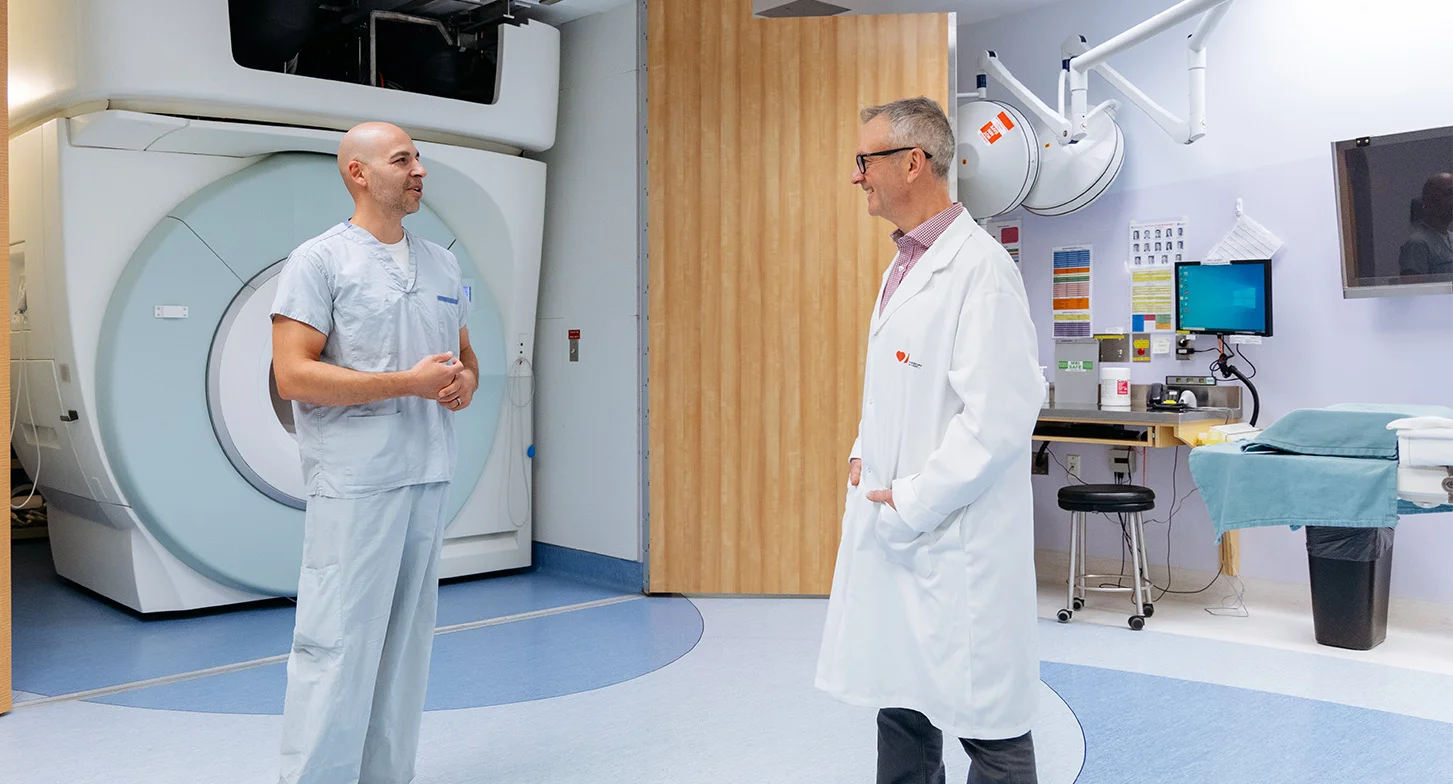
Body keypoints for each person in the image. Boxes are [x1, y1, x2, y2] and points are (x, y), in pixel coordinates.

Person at [815, 97, 1045, 784]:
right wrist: (863, 450)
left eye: (865, 160)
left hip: (954, 538)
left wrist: (914, 498)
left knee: (989, 724)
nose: (856, 176)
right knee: (902, 700)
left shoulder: (979, 270)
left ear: (912, 162)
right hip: (901, 526)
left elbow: (999, 417)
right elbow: (893, 388)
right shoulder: (905, 265)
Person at [270, 121, 478, 784]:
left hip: (425, 475)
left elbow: (465, 359)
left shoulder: (442, 262)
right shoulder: (319, 261)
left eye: (418, 158)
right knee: (336, 646)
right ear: (359, 173)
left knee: (405, 650)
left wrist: (462, 383)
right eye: (402, 159)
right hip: (357, 483)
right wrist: (407, 384)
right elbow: (292, 376)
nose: (419, 170)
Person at [1397, 173, 1453, 277]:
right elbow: (1414, 290)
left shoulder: (1451, 237)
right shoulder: (1417, 244)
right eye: (1449, 194)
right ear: (1430, 201)